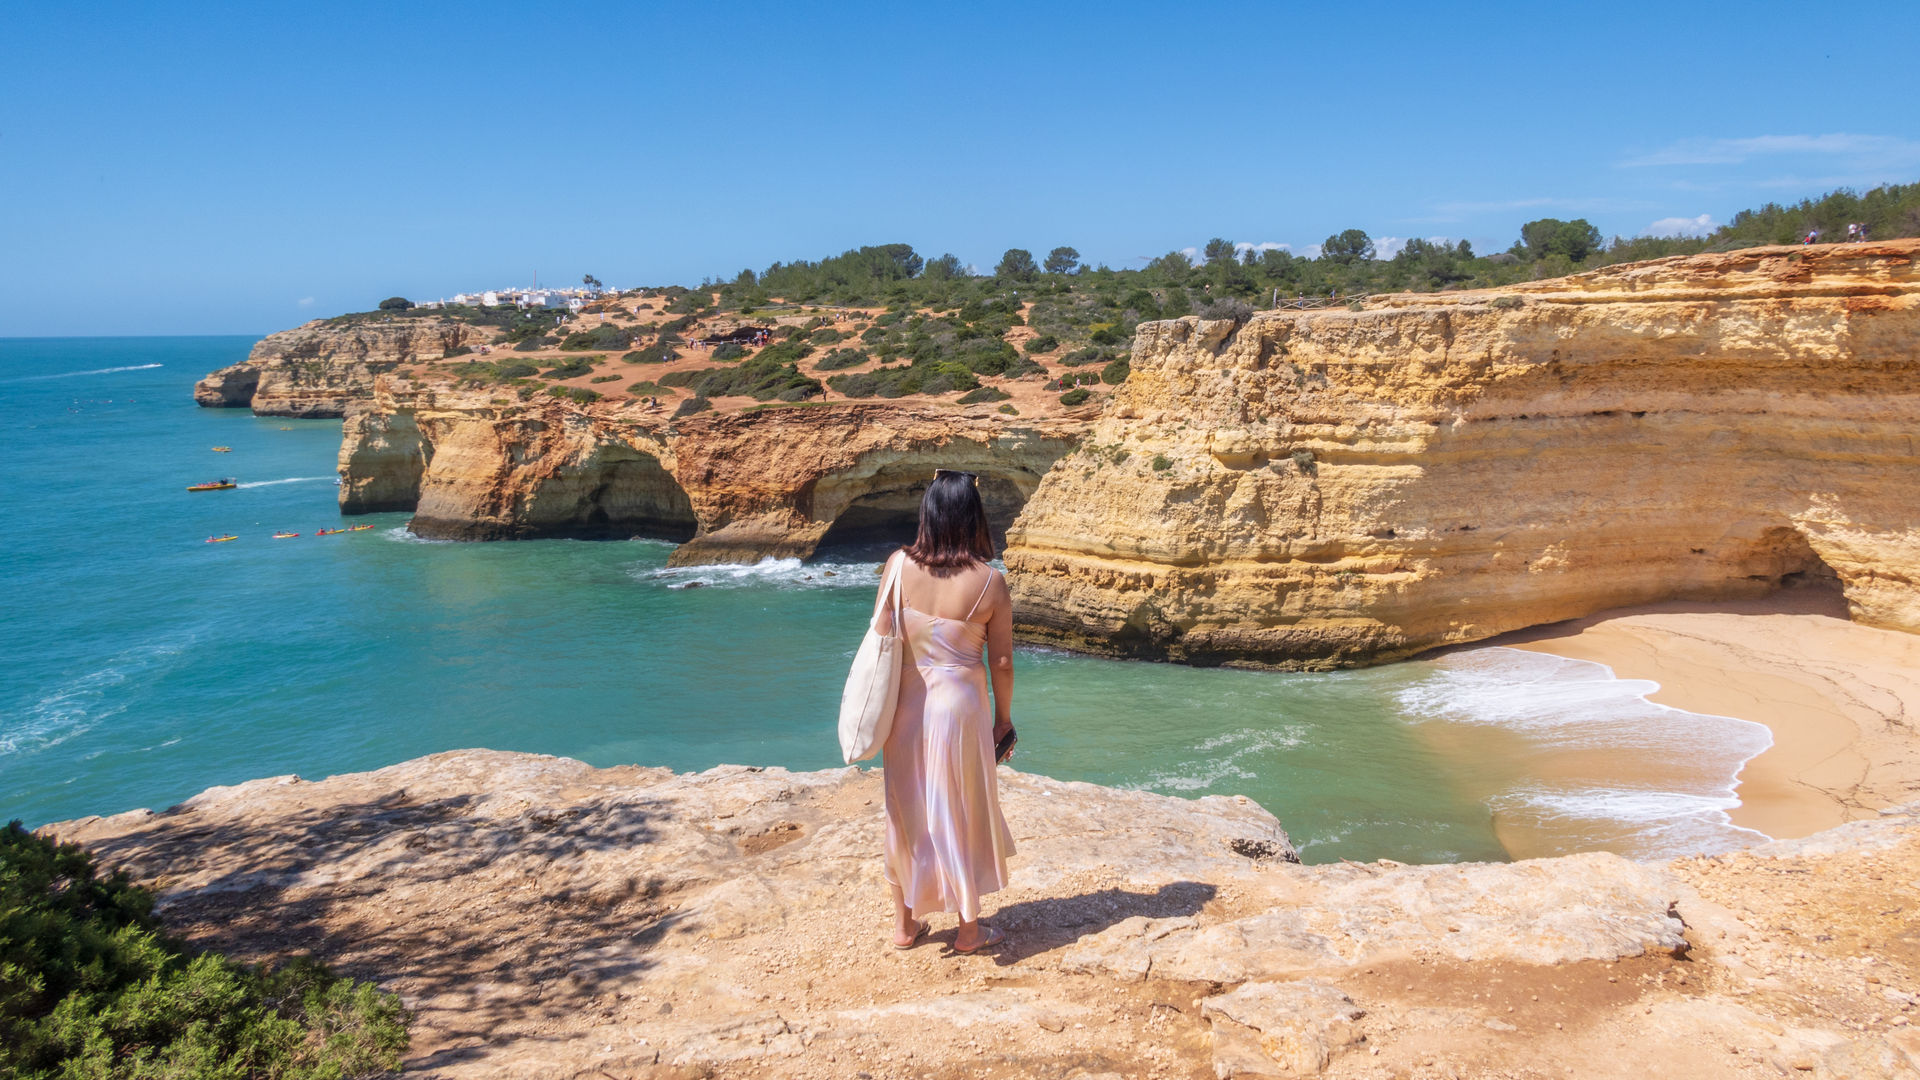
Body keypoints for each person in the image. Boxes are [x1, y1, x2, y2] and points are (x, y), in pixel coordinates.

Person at [871, 469, 1016, 953]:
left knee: (905, 809)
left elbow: (882, 635)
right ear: (974, 516)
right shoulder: (990, 583)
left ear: (928, 512)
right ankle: (970, 930)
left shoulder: (896, 565)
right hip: (960, 708)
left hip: (906, 704)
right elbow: (1000, 661)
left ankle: (904, 926)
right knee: (961, 810)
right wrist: (1004, 720)